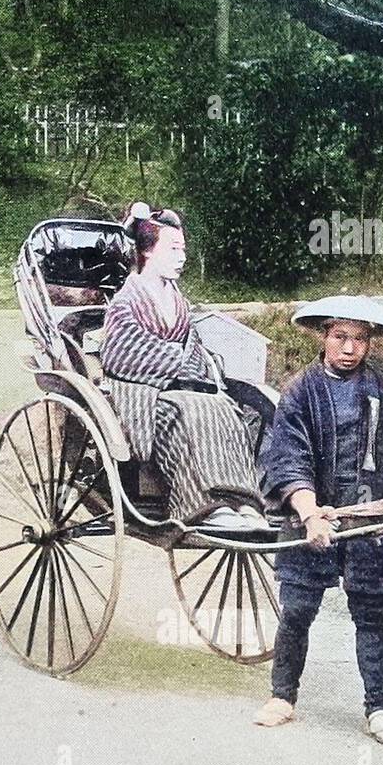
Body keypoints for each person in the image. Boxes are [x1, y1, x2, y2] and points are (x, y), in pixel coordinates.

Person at [253, 295, 383, 747]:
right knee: (298, 611)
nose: (349, 348)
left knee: (370, 616)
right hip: (314, 519)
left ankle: (379, 710)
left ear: (369, 344)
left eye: (359, 339)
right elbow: (289, 461)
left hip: (369, 522)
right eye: (340, 337)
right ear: (324, 336)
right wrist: (308, 514)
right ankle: (283, 697)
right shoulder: (300, 391)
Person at [101, 202, 265, 529]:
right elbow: (120, 355)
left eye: (183, 249)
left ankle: (241, 501)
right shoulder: (125, 301)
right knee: (188, 412)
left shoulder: (178, 302)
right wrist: (179, 360)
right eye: (173, 249)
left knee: (225, 408)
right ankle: (202, 506)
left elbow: (194, 346)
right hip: (139, 392)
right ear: (147, 252)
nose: (182, 257)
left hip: (177, 387)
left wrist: (192, 364)